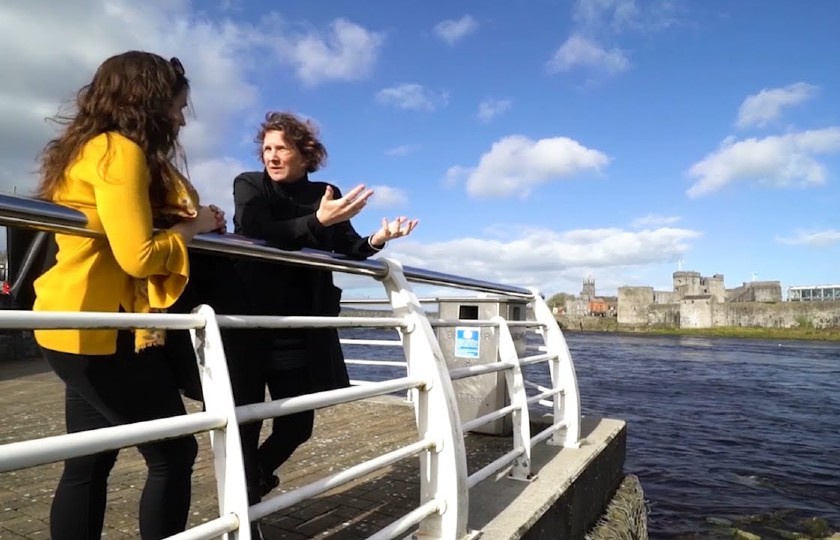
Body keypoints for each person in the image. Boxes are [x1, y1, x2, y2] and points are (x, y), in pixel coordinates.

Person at [32, 51, 224, 539]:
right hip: (97, 330)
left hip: (73, 325)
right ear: (151, 102)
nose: (182, 119)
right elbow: (138, 255)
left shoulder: (87, 147)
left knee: (89, 462)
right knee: (174, 454)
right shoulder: (120, 151)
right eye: (179, 106)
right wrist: (194, 226)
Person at [233, 111, 418, 495]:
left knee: (297, 426)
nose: (272, 156)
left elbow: (347, 248)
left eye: (282, 148)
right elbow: (258, 231)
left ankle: (251, 485)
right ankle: (243, 511)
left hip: (301, 328)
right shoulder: (250, 186)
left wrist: (378, 239)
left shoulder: (324, 193)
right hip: (248, 324)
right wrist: (317, 221)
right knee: (243, 427)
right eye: (267, 148)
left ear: (305, 154)